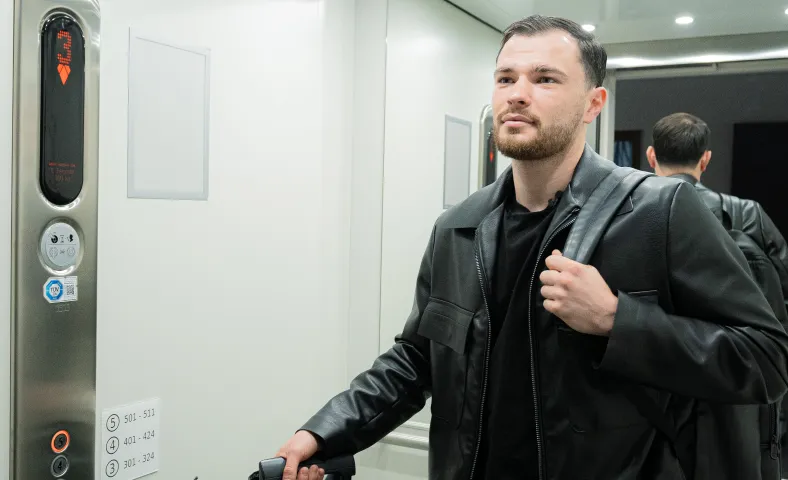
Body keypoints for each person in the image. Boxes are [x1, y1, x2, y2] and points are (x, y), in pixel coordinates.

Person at [276, 15, 788, 480]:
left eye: (544, 79)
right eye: (506, 78)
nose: (517, 94)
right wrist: (324, 431)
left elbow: (765, 359)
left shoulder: (660, 211)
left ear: (593, 103)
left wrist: (618, 320)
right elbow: (417, 360)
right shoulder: (459, 227)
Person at [646, 112, 788, 316]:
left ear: (651, 156)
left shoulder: (629, 212)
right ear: (705, 159)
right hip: (734, 342)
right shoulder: (746, 213)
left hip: (656, 340)